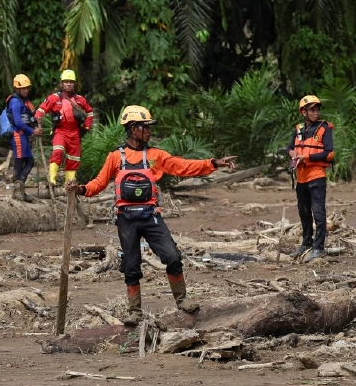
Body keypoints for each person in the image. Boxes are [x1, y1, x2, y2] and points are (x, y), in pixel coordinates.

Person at [67, 105, 237, 325]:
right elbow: (99, 183)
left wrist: (213, 163)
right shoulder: (115, 157)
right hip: (126, 219)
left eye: (149, 127)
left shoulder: (156, 155)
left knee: (172, 256)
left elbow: (183, 166)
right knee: (131, 265)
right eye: (145, 127)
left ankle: (182, 300)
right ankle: (134, 312)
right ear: (133, 129)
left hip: (151, 217)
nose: (149, 131)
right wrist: (81, 189)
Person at [287, 95, 334, 260]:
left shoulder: (324, 128)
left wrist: (305, 157)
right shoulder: (299, 128)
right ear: (303, 112)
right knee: (304, 212)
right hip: (301, 178)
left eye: (317, 110)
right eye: (312, 110)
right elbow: (290, 147)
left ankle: (319, 248)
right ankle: (306, 243)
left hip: (316, 177)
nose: (316, 113)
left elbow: (329, 153)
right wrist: (292, 154)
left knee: (318, 213)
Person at [35, 69, 93, 187]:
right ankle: (52, 180)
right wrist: (38, 117)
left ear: (74, 84)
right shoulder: (54, 98)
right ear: (61, 84)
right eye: (66, 82)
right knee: (58, 152)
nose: (68, 84)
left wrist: (85, 128)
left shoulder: (80, 99)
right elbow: (41, 109)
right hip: (60, 131)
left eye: (71, 82)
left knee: (73, 159)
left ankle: (69, 184)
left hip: (75, 132)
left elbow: (90, 112)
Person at [6, 74, 36, 201]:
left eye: (27, 88)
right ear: (17, 89)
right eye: (23, 88)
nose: (26, 90)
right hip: (18, 135)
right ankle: (17, 191)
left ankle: (20, 188)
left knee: (30, 162)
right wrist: (33, 131)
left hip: (23, 136)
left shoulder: (23, 101)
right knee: (19, 162)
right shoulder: (15, 102)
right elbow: (18, 122)